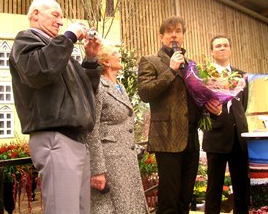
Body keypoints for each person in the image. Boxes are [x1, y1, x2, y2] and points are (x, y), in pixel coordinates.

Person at [9, 0, 102, 214]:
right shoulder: (26, 40)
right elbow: (39, 71)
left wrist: (90, 59)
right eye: (55, 15)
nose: (60, 22)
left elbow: (87, 91)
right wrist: (69, 36)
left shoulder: (58, 49)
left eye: (62, 17)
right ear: (35, 15)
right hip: (55, 138)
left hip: (76, 141)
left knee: (77, 210)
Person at [137, 16, 221, 214]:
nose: (174, 34)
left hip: (191, 140)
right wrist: (171, 70)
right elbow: (145, 93)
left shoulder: (191, 65)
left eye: (178, 31)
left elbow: (196, 99)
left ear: (183, 36)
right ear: (161, 37)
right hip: (167, 138)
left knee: (185, 200)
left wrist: (211, 110)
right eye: (169, 31)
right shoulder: (151, 61)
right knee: (169, 200)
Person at [86, 43, 149, 214]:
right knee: (114, 206)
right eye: (115, 53)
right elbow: (92, 128)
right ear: (106, 62)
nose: (119, 56)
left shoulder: (119, 86)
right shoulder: (98, 86)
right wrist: (97, 169)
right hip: (110, 159)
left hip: (126, 157)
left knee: (129, 204)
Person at [203, 35, 250, 214]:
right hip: (216, 136)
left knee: (242, 186)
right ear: (212, 51)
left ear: (230, 49)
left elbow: (243, 105)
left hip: (239, 138)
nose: (222, 48)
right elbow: (201, 106)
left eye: (225, 45)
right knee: (214, 187)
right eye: (217, 46)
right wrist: (213, 114)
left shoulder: (241, 75)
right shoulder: (204, 75)